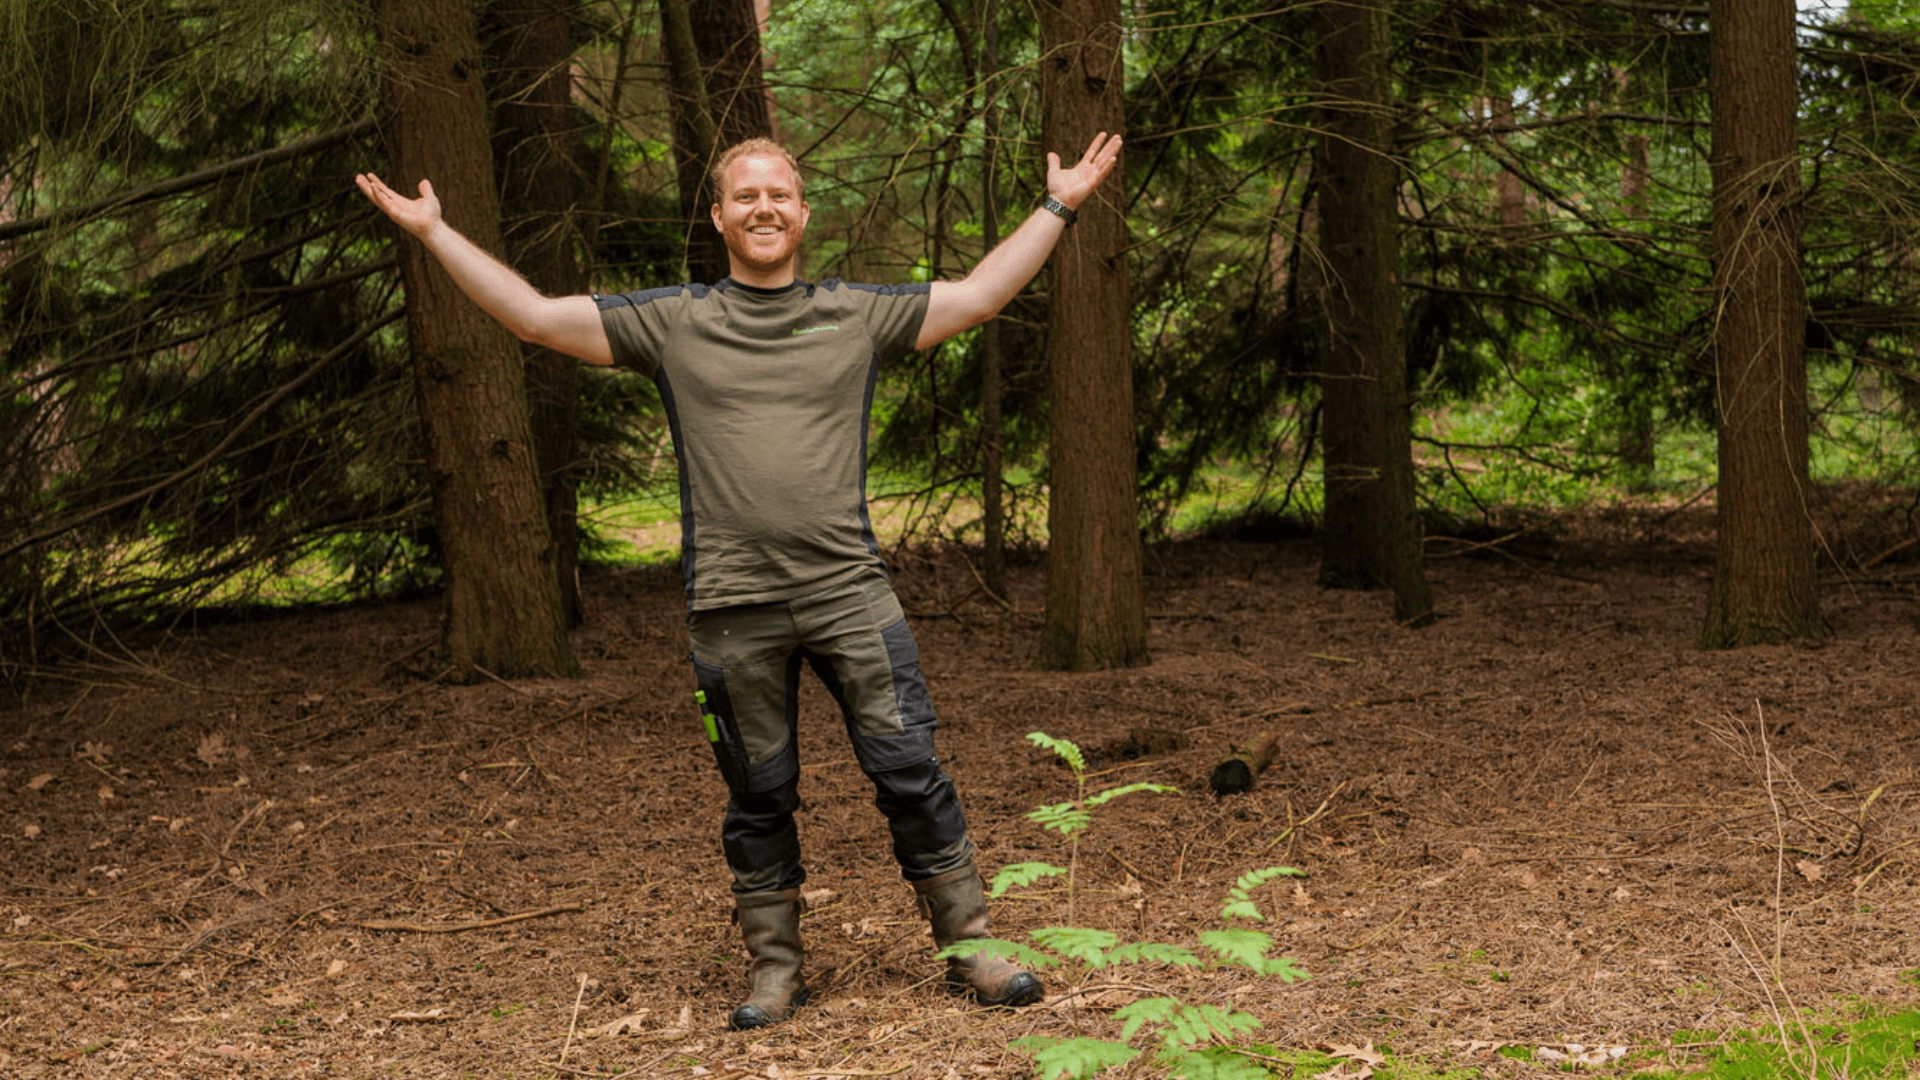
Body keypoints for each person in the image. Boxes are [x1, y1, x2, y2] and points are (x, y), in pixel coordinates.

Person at [355, 130, 1122, 1029]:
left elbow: (984, 296)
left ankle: (972, 951)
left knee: (910, 770)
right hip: (730, 610)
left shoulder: (858, 313)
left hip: (851, 598)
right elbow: (533, 317)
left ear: (803, 212)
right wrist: (435, 232)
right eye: (745, 196)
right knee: (758, 793)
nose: (764, 208)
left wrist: (1060, 202)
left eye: (780, 195)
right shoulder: (673, 322)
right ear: (718, 215)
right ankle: (774, 971)